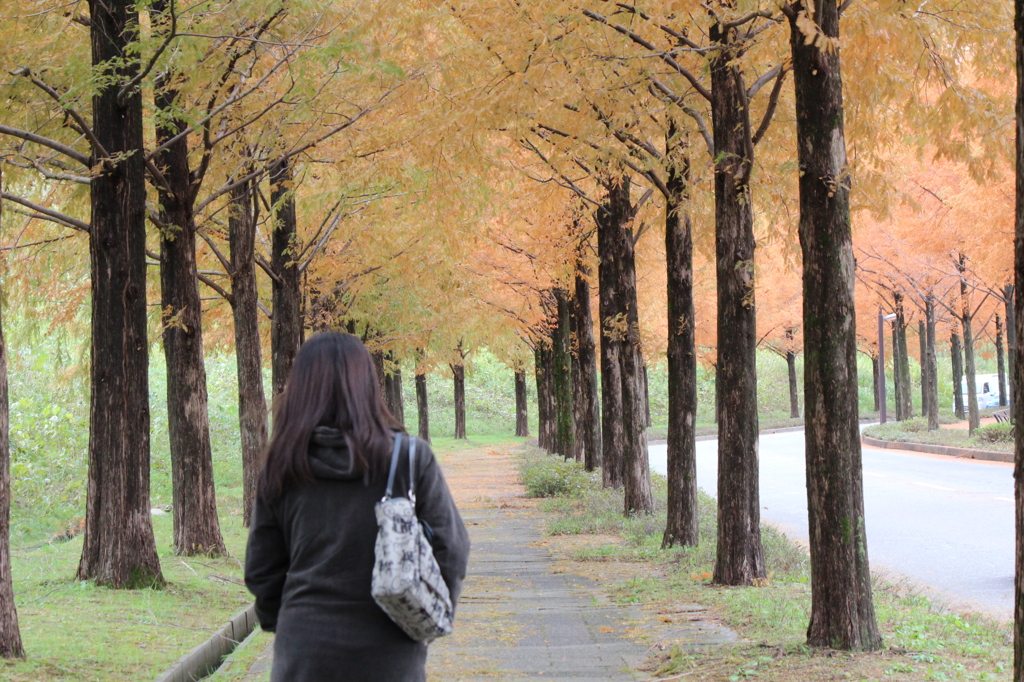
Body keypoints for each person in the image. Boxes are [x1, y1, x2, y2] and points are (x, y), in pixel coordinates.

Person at [245, 332, 470, 682]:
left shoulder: (282, 464)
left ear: (300, 389)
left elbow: (261, 568)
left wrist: (284, 620)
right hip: (391, 647)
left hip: (305, 648)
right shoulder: (409, 458)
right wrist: (427, 615)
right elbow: (451, 549)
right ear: (367, 384)